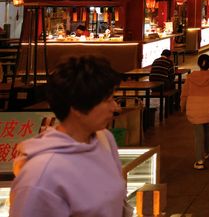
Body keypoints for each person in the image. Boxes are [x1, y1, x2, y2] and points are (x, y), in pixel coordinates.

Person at [10, 56, 128, 216]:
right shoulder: (41, 175)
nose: (116, 108)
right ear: (77, 108)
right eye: (108, 100)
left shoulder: (104, 139)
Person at [181, 54, 209, 170]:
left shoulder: (190, 78)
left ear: (198, 64)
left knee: (198, 135)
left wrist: (182, 107)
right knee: (207, 130)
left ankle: (199, 160)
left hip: (194, 109)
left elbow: (184, 94)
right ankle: (206, 152)